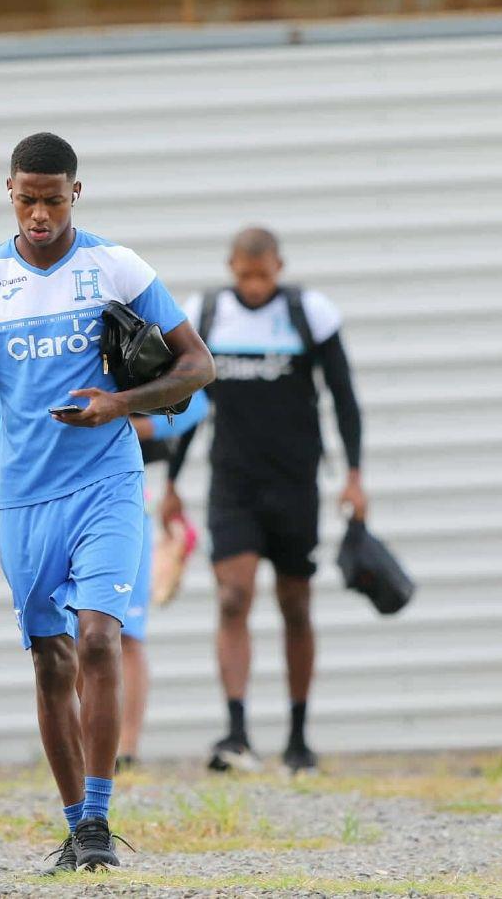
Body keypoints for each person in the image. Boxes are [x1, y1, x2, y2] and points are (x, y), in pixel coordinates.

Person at [0, 132, 213, 873]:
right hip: (26, 498)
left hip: (107, 483)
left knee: (100, 638)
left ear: (77, 192)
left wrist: (120, 403)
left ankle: (100, 820)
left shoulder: (116, 267)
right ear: (9, 193)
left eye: (52, 199)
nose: (39, 214)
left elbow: (198, 365)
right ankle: (75, 826)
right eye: (26, 200)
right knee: (50, 658)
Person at [163, 227, 367, 775]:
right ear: (230, 267)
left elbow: (344, 397)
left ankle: (298, 738)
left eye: (264, 274)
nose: (254, 285)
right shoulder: (206, 316)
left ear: (280, 266)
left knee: (295, 604)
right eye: (245, 274)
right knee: (233, 597)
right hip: (234, 485)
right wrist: (171, 484)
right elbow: (186, 405)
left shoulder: (309, 314)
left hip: (295, 483)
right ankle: (236, 733)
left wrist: (354, 475)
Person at [117, 390, 209, 771]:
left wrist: (132, 424)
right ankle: (87, 743)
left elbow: (196, 404)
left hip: (130, 500)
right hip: (72, 494)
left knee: (128, 632)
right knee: (74, 634)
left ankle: (127, 747)